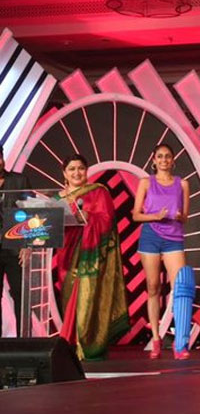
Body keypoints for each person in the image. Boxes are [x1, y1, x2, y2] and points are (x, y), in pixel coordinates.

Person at [55, 154, 129, 360]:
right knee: (68, 298)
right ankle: (70, 344)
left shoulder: (98, 192)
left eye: (80, 168)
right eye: (71, 169)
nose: (76, 173)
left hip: (91, 255)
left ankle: (87, 344)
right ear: (64, 173)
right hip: (66, 256)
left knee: (86, 298)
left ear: (86, 171)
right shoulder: (56, 199)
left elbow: (107, 221)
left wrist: (89, 217)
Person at [133, 144, 190, 359]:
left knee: (180, 289)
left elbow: (185, 217)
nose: (164, 160)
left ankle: (180, 342)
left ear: (173, 160)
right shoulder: (146, 182)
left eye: (167, 156)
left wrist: (178, 216)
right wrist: (155, 216)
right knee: (153, 287)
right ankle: (156, 338)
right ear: (154, 160)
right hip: (151, 236)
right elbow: (136, 215)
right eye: (160, 156)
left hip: (174, 238)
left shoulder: (182, 184)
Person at [0, 144, 31, 337]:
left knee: (20, 295)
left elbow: (31, 212)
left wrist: (27, 245)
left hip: (16, 247)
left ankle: (23, 340)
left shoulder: (20, 181)